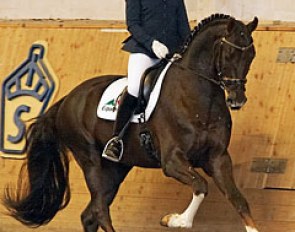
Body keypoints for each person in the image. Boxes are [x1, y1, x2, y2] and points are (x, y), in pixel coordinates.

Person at [102, 0, 191, 162]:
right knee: (136, 88)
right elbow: (133, 25)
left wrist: (184, 50)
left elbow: (184, 27)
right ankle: (116, 139)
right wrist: (152, 44)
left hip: (172, 53)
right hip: (144, 51)